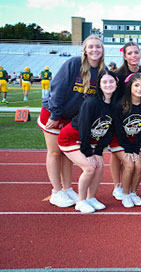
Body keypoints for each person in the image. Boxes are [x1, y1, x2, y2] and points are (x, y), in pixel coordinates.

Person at [37, 35, 106, 208]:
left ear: (103, 49)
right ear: (84, 49)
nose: (94, 50)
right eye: (91, 47)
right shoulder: (74, 63)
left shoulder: (101, 71)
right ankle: (56, 191)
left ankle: (67, 189)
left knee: (67, 155)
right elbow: (57, 88)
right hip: (54, 113)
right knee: (54, 152)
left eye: (98, 47)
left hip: (72, 118)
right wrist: (54, 114)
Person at [57, 70, 117, 213]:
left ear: (116, 83)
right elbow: (84, 128)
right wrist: (88, 153)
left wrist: (99, 151)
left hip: (91, 140)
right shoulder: (91, 102)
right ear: (99, 85)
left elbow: (109, 130)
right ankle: (81, 201)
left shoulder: (115, 104)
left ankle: (91, 197)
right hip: (70, 138)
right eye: (104, 82)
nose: (108, 84)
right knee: (90, 167)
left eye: (111, 81)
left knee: (99, 165)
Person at [109, 42, 141, 201]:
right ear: (124, 56)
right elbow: (116, 98)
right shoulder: (119, 74)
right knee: (116, 156)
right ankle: (117, 185)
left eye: (136, 52)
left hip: (136, 120)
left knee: (135, 163)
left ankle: (131, 190)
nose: (134, 56)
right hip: (120, 117)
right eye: (130, 53)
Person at [111, 72, 141, 208]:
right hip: (119, 140)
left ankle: (133, 192)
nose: (139, 89)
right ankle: (125, 193)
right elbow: (118, 129)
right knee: (129, 165)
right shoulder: (120, 105)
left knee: (139, 166)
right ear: (130, 86)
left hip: (135, 141)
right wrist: (127, 147)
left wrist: (136, 147)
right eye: (136, 85)